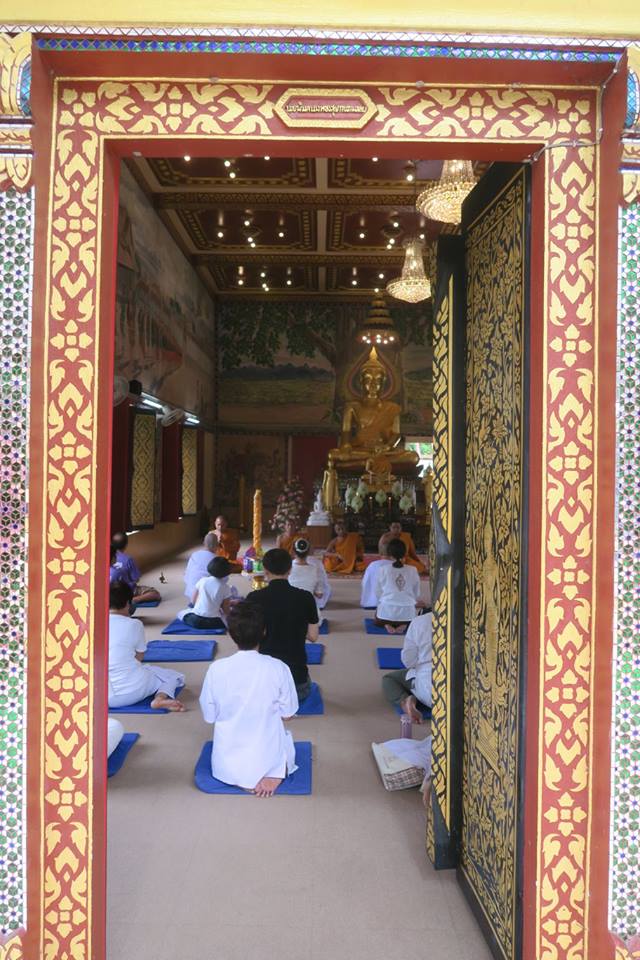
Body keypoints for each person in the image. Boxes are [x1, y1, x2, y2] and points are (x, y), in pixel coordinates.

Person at [199, 602, 299, 797]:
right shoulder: (278, 667)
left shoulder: (216, 669)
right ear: (264, 632)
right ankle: (272, 771)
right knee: (285, 738)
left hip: (226, 762)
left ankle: (241, 776)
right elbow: (288, 714)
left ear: (230, 634)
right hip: (267, 748)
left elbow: (209, 716)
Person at [246, 547, 318, 702]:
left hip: (264, 685)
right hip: (297, 686)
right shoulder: (306, 597)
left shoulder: (253, 598)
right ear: (290, 569)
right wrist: (296, 624)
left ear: (265, 570)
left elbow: (248, 638)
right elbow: (313, 636)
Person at [108, 580, 185, 711]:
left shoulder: (93, 624)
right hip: (132, 693)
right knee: (172, 676)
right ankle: (159, 699)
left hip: (98, 695)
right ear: (128, 603)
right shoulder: (134, 624)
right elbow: (139, 657)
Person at [382, 610, 433, 723]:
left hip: (433, 695)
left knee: (389, 678)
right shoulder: (473, 619)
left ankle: (405, 700)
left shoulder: (421, 621)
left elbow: (409, 661)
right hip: (469, 697)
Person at [374, 538, 426, 633]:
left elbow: (377, 591)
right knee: (413, 618)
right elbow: (416, 592)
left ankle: (387, 624)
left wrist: (385, 599)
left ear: (389, 554)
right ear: (404, 553)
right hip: (407, 614)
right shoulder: (413, 569)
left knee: (378, 617)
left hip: (386, 613)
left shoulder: (383, 569)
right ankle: (404, 624)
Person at [182, 556, 235, 630]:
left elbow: (193, 600)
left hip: (195, 620)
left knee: (182, 614)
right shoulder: (226, 587)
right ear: (227, 572)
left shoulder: (202, 581)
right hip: (213, 622)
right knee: (226, 619)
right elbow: (226, 609)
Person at [111, 532, 161, 604]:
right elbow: (136, 579)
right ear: (126, 545)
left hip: (112, 592)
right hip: (127, 591)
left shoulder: (108, 558)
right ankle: (136, 599)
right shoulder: (128, 559)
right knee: (155, 593)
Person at [288, 537, 331, 616]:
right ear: (308, 552)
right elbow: (320, 594)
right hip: (308, 612)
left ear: (293, 551)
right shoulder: (315, 569)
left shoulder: (287, 568)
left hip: (289, 611)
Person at [183, 531, 219, 599]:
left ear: (203, 543)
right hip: (206, 596)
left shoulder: (194, 555)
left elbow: (186, 575)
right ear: (217, 545)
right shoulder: (216, 559)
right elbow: (223, 579)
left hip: (191, 593)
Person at [360, 541, 391, 608]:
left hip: (370, 603)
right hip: (389, 604)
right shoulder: (395, 566)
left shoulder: (372, 565)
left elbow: (365, 582)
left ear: (380, 553)